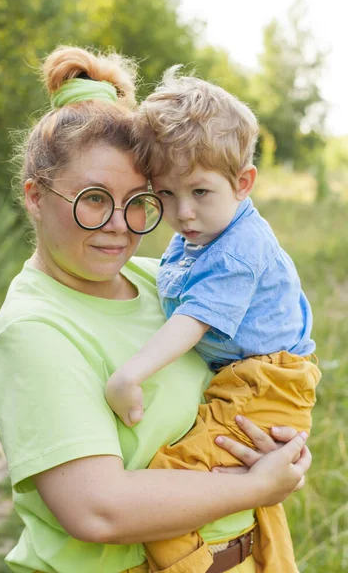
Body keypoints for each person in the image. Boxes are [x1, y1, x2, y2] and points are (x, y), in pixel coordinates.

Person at [0, 46, 311, 573]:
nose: (119, 223)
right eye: (94, 197)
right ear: (35, 197)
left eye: (139, 201)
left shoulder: (159, 279)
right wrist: (256, 486)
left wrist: (283, 448)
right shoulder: (35, 330)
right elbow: (99, 512)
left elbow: (256, 368)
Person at [105, 69, 321, 573]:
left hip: (265, 382)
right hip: (252, 378)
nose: (183, 215)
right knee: (235, 484)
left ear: (243, 183)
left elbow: (194, 319)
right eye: (166, 195)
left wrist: (129, 374)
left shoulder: (240, 248)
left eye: (200, 192)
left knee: (172, 477)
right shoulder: (202, 233)